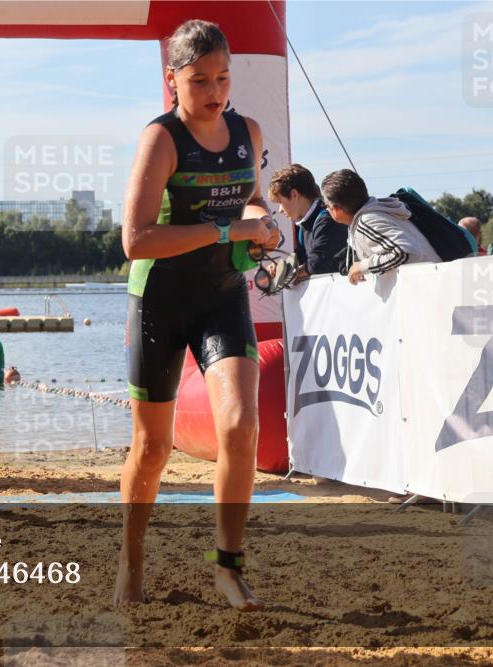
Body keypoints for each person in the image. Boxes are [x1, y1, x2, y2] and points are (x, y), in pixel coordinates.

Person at [118, 19, 280, 611]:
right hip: (157, 298)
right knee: (153, 448)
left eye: (223, 78)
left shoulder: (247, 130)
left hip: (220, 295)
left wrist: (262, 224)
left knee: (240, 427)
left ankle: (228, 567)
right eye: (200, 81)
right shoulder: (160, 139)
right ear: (172, 82)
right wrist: (227, 228)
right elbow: (135, 240)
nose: (215, 92)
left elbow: (253, 196)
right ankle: (132, 561)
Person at [321, 169, 441, 285]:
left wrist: (363, 266)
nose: (326, 209)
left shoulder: (367, 221)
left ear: (336, 209)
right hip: (431, 284)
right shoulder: (375, 213)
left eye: (326, 205)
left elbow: (405, 252)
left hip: (430, 287)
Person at [268, 164, 347, 280]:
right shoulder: (303, 224)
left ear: (294, 194)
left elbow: (318, 264)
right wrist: (279, 269)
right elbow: (300, 260)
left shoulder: (328, 220)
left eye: (280, 202)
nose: (280, 210)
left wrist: (287, 275)